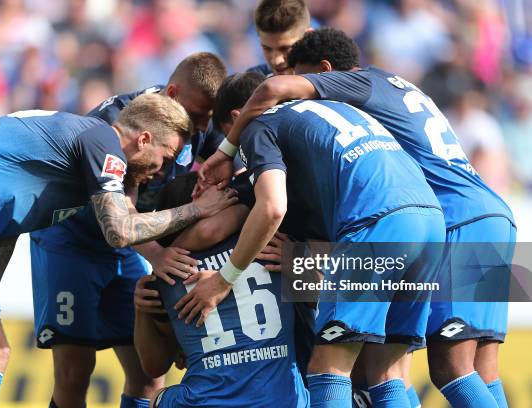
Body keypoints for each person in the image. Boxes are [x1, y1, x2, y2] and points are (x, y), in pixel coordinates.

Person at [200, 28, 516, 408]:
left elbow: (272, 96)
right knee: (438, 368)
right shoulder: (386, 94)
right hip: (482, 213)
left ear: (326, 71)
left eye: (304, 76)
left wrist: (226, 149)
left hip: (451, 220)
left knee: (440, 367)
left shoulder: (353, 90)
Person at [0, 93, 237, 408]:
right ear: (143, 139)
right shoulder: (103, 141)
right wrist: (196, 210)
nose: (161, 172)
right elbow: (119, 230)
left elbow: (5, 224)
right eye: (166, 158)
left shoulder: (78, 138)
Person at [180, 72, 445, 407]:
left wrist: (223, 279)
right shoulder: (332, 111)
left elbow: (273, 207)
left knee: (328, 367)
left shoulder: (258, 127)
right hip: (431, 220)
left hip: (378, 222)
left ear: (237, 118)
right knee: (388, 371)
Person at [29, 52, 228, 408]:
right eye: (197, 115)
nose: (201, 126)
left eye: (208, 117)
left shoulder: (203, 122)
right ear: (172, 92)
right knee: (75, 369)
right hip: (72, 241)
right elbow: (118, 216)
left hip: (129, 247)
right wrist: (158, 254)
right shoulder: (113, 122)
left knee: (149, 373)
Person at [134, 171, 309, 408]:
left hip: (204, 401)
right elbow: (355, 289)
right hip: (286, 399)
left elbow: (154, 366)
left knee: (156, 399)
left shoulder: (167, 274)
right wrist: (304, 263)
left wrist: (141, 309)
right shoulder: (273, 247)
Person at [247, 0, 313, 77]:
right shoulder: (252, 82)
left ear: (308, 37)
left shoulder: (329, 79)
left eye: (285, 48)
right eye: (267, 48)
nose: (276, 61)